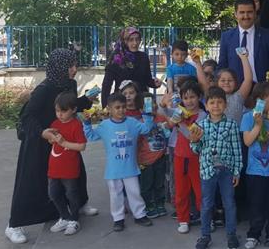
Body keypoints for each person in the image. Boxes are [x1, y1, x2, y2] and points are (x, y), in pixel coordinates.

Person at [5, 48, 96, 245]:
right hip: (39, 142)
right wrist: (42, 133)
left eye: (75, 64)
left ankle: (78, 205)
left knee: (74, 172)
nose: (74, 69)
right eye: (70, 66)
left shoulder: (69, 84)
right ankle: (14, 225)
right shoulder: (43, 90)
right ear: (60, 67)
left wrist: (85, 101)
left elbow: (69, 106)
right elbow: (27, 118)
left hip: (63, 140)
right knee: (31, 182)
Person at [83, 93, 155, 231]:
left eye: (123, 107)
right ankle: (118, 218)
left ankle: (140, 215)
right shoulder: (104, 125)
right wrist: (86, 123)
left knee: (134, 192)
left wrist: (147, 115)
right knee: (115, 195)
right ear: (109, 109)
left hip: (130, 167)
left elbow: (146, 129)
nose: (121, 110)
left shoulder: (132, 123)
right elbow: (91, 136)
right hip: (113, 170)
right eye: (117, 107)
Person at [189, 87, 243, 249]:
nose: (216, 106)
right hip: (207, 170)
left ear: (225, 105)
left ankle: (231, 234)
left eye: (220, 102)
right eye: (212, 103)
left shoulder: (232, 125)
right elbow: (196, 150)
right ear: (206, 106)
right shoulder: (200, 125)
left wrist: (237, 172)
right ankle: (205, 235)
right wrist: (194, 141)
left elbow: (237, 150)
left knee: (229, 203)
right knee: (206, 204)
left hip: (227, 171)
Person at [241, 83, 269, 249]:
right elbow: (247, 141)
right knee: (256, 204)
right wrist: (258, 125)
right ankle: (254, 234)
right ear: (259, 101)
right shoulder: (248, 117)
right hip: (255, 171)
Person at [121, 81, 169, 219]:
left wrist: (168, 127)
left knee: (159, 183)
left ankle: (160, 203)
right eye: (146, 105)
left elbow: (168, 133)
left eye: (153, 103)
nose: (151, 106)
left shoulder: (161, 118)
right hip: (145, 160)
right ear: (141, 109)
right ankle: (149, 205)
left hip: (160, 157)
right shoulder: (140, 123)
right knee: (146, 185)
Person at [166, 80, 207, 233]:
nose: (189, 101)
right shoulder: (179, 111)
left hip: (197, 157)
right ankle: (183, 219)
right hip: (180, 156)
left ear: (199, 97)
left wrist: (179, 123)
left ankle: (206, 218)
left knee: (200, 191)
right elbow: (165, 113)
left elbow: (192, 136)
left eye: (192, 97)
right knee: (181, 191)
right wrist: (163, 105)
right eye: (186, 98)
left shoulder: (203, 115)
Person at [46, 91, 87, 236]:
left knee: (71, 194)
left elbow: (82, 146)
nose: (60, 114)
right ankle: (64, 216)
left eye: (63, 111)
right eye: (57, 111)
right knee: (53, 193)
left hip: (69, 168)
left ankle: (74, 219)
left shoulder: (76, 125)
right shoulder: (55, 124)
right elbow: (51, 141)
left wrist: (64, 143)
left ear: (74, 109)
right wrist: (51, 137)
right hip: (54, 167)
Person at [218, 0, 269, 83]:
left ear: (255, 13)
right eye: (242, 12)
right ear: (235, 14)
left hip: (261, 87)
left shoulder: (268, 36)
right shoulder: (226, 37)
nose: (246, 16)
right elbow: (222, 66)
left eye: (249, 12)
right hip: (236, 88)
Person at [101, 27, 162, 108]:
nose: (135, 43)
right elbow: (107, 84)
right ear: (124, 41)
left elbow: (147, 79)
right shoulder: (116, 58)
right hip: (123, 103)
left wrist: (155, 83)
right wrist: (105, 106)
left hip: (142, 102)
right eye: (131, 40)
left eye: (137, 39)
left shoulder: (143, 57)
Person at [195, 49, 253, 124]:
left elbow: (248, 80)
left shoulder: (239, 96)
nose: (226, 82)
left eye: (230, 80)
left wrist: (244, 58)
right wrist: (198, 62)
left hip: (235, 131)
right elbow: (203, 83)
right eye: (223, 80)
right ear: (217, 82)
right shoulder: (212, 94)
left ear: (235, 83)